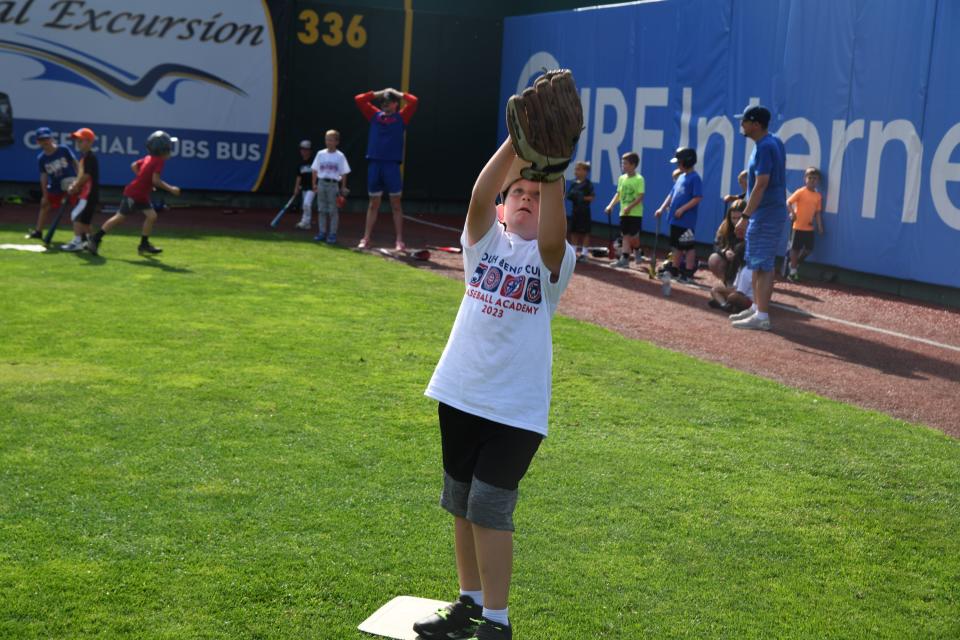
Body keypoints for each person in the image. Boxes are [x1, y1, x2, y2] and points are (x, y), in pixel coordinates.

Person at [417, 139, 576, 640]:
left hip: (515, 409)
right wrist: (515, 139)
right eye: (519, 192)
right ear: (504, 209)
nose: (527, 198)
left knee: (489, 506)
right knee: (461, 503)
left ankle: (497, 622)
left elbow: (552, 237)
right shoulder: (484, 242)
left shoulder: (553, 260)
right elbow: (479, 195)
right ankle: (469, 603)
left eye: (538, 193)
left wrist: (552, 171)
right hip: (461, 393)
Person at [731, 105, 787, 331]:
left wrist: (745, 216)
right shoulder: (771, 142)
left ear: (755, 124)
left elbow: (762, 183)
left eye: (744, 121)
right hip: (765, 213)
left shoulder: (765, 147)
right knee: (756, 263)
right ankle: (757, 308)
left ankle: (762, 315)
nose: (741, 125)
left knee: (763, 265)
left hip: (766, 214)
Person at [86, 131, 180, 256]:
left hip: (140, 194)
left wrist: (144, 180)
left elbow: (134, 165)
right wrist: (171, 189)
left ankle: (144, 245)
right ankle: (95, 239)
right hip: (133, 194)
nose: (170, 149)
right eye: (169, 147)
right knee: (120, 217)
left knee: (152, 216)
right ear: (163, 149)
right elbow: (156, 181)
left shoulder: (149, 157)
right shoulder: (158, 161)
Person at [354, 87, 419, 251]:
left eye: (389, 102)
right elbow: (359, 99)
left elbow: (414, 101)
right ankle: (366, 238)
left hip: (391, 165)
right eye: (383, 102)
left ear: (396, 104)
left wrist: (396, 93)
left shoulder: (401, 118)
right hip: (375, 164)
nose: (385, 105)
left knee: (396, 204)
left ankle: (399, 240)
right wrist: (380, 92)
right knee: (373, 203)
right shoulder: (375, 116)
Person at [654, 147, 703, 283]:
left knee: (688, 247)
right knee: (676, 247)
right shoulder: (681, 177)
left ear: (687, 162)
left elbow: (697, 197)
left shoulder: (695, 178)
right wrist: (662, 208)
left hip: (686, 221)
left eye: (679, 162)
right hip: (675, 220)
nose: (677, 165)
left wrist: (682, 209)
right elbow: (671, 194)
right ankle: (674, 269)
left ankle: (687, 272)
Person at [27, 126, 78, 241]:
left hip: (71, 183)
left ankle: (81, 237)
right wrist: (45, 195)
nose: (45, 142)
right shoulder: (42, 158)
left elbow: (76, 164)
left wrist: (78, 181)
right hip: (56, 186)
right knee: (45, 204)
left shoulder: (63, 149)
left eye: (46, 138)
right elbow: (44, 177)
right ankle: (38, 231)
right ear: (37, 142)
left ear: (51, 139)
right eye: (41, 140)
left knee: (77, 209)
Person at [60, 127, 100, 252]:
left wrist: (75, 186)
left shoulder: (89, 157)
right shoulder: (85, 157)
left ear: (89, 142)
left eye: (80, 141)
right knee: (85, 222)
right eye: (77, 141)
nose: (77, 143)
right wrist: (75, 185)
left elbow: (86, 176)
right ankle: (90, 242)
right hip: (86, 194)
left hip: (88, 195)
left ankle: (77, 242)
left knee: (75, 215)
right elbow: (82, 176)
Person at [308, 129, 351, 244]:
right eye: (327, 140)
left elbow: (344, 172)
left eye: (331, 140)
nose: (328, 142)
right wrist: (314, 184)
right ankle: (322, 232)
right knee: (321, 209)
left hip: (333, 184)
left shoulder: (340, 156)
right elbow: (314, 170)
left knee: (333, 210)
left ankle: (332, 234)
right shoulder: (320, 154)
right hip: (322, 183)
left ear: (337, 142)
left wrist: (343, 187)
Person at [604, 151, 644, 268]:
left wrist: (630, 207)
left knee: (634, 237)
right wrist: (610, 205)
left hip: (635, 214)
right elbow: (619, 194)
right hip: (623, 213)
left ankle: (637, 250)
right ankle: (625, 259)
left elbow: (640, 196)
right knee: (625, 235)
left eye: (625, 163)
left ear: (633, 165)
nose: (623, 166)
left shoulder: (639, 179)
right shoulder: (622, 178)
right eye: (622, 163)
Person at [786, 166, 823, 281]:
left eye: (815, 178)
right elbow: (788, 202)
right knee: (795, 249)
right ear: (805, 179)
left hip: (809, 228)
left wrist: (820, 226)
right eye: (810, 178)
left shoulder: (818, 196)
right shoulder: (800, 192)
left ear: (818, 181)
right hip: (797, 226)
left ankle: (794, 264)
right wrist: (792, 213)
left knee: (808, 249)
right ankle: (792, 272)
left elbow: (817, 213)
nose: (812, 180)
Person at [707, 200, 745, 283]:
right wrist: (725, 252)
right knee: (714, 259)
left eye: (739, 218)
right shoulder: (725, 226)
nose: (736, 222)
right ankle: (727, 283)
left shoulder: (752, 226)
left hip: (746, 262)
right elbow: (717, 244)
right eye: (733, 218)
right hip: (730, 259)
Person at [566, 160, 594, 261]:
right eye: (575, 169)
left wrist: (582, 197)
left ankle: (584, 254)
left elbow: (592, 197)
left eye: (578, 169)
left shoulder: (588, 184)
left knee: (585, 232)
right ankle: (573, 253)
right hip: (575, 212)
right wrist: (572, 196)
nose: (575, 172)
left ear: (585, 172)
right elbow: (569, 195)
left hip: (584, 212)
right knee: (573, 232)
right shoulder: (574, 183)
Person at [293, 140, 315, 230]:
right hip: (304, 187)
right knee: (305, 205)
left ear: (310, 150)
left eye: (306, 149)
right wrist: (296, 188)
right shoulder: (300, 164)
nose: (304, 151)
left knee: (307, 204)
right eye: (302, 149)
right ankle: (305, 222)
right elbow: (299, 177)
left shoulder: (314, 161)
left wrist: (315, 184)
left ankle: (306, 222)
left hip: (312, 187)